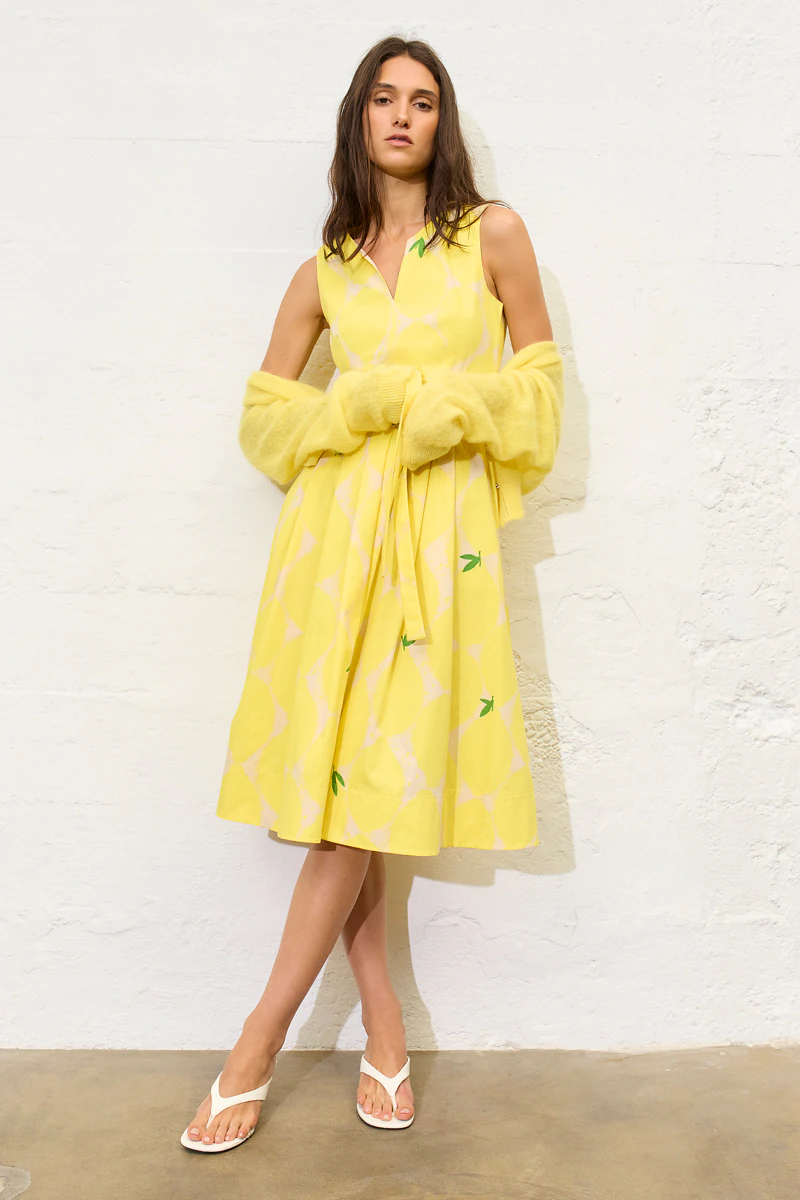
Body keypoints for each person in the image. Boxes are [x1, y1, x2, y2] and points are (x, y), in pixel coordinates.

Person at [180, 34, 563, 1153]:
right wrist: (345, 408)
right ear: (359, 118)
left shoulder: (492, 235)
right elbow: (264, 420)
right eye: (385, 98)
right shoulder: (325, 270)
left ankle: (255, 1043)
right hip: (332, 544)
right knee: (350, 792)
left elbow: (542, 388)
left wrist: (459, 408)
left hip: (440, 543)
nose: (403, 116)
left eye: (424, 101)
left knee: (367, 786)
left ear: (443, 123)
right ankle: (384, 1024)